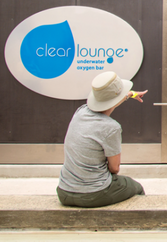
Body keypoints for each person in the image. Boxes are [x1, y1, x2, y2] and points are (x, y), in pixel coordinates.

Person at [57, 71, 147, 208]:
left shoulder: (80, 112)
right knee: (135, 187)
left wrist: (130, 94)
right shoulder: (111, 127)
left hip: (64, 192)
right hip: (94, 193)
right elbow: (114, 168)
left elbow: (109, 102)